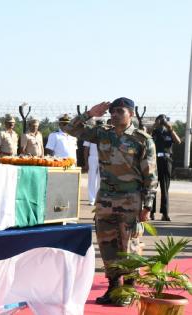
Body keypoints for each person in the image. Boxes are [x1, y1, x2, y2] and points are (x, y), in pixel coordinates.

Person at [63, 97, 157, 306]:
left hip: (130, 199)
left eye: (119, 111)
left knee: (129, 244)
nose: (114, 114)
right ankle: (114, 288)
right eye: (112, 111)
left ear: (131, 114)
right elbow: (70, 129)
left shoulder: (142, 140)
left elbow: (150, 174)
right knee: (107, 244)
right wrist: (89, 114)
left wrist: (147, 206)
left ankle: (128, 290)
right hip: (105, 198)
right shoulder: (102, 133)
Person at [150, 114, 181, 221]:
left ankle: (165, 213)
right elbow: (145, 138)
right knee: (152, 187)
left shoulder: (170, 132)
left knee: (165, 188)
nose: (163, 122)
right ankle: (151, 212)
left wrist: (170, 128)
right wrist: (155, 126)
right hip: (155, 161)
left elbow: (178, 141)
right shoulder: (154, 132)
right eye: (161, 120)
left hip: (167, 161)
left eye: (165, 120)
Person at [83, 120, 103, 206]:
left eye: (101, 125)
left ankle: (99, 199)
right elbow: (86, 149)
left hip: (102, 159)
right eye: (98, 125)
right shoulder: (90, 135)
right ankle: (92, 199)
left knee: (101, 179)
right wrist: (86, 162)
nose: (99, 127)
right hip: (92, 158)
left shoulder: (105, 135)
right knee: (92, 178)